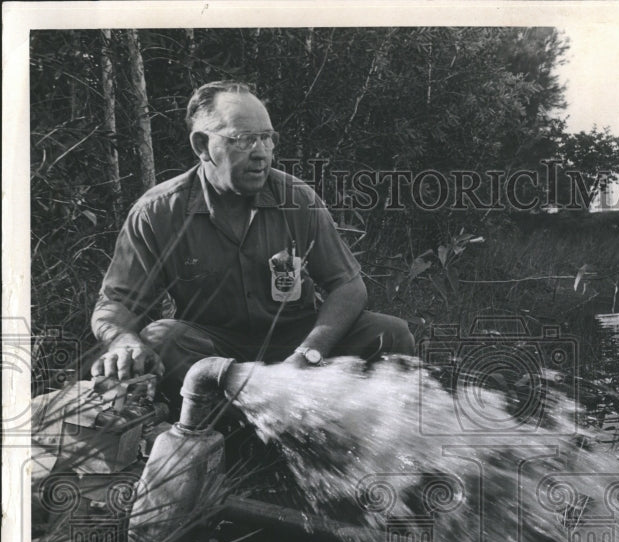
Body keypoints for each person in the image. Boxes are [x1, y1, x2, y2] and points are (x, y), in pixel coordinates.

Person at [91, 80, 414, 397]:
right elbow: (117, 303)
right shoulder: (157, 212)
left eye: (267, 138)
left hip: (295, 341)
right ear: (202, 145)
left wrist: (308, 354)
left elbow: (348, 286)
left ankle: (341, 431)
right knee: (161, 338)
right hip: (216, 351)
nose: (262, 154)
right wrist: (123, 341)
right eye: (244, 140)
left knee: (390, 334)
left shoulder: (297, 199)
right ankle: (251, 431)